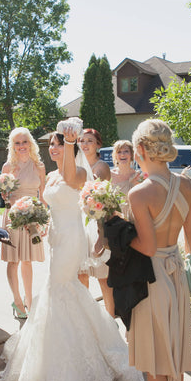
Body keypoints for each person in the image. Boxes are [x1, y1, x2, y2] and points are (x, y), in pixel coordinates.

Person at [0, 124, 145, 381]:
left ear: (71, 147)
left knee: (61, 289)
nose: (52, 149)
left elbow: (71, 180)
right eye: (51, 145)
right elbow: (49, 204)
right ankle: (62, 353)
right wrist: (32, 217)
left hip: (72, 239)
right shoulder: (51, 175)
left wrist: (69, 142)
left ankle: (75, 365)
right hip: (56, 238)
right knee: (62, 291)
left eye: (58, 145)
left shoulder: (76, 173)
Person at [127, 119, 191, 381]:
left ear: (140, 149)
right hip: (177, 276)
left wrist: (120, 236)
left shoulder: (139, 193)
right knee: (176, 353)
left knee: (155, 361)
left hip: (152, 279)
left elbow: (148, 247)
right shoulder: (188, 185)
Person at [1, 127, 46, 318]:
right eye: (17, 143)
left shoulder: (39, 166)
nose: (21, 146)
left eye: (24, 142)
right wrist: (4, 195)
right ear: (13, 146)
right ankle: (17, 301)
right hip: (13, 217)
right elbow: (4, 196)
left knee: (28, 260)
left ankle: (29, 300)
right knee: (14, 260)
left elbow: (42, 196)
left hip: (33, 216)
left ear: (31, 143)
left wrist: (44, 221)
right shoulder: (8, 167)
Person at [78, 128, 114, 316]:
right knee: (81, 274)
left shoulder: (101, 167)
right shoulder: (76, 164)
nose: (85, 144)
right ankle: (87, 319)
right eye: (82, 141)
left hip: (98, 224)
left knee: (102, 276)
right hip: (79, 223)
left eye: (89, 141)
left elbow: (91, 193)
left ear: (98, 144)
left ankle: (110, 318)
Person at [110, 139, 141, 219]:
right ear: (115, 156)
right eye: (119, 152)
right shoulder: (109, 175)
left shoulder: (138, 176)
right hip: (113, 220)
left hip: (133, 219)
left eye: (126, 151)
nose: (122, 154)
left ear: (131, 154)